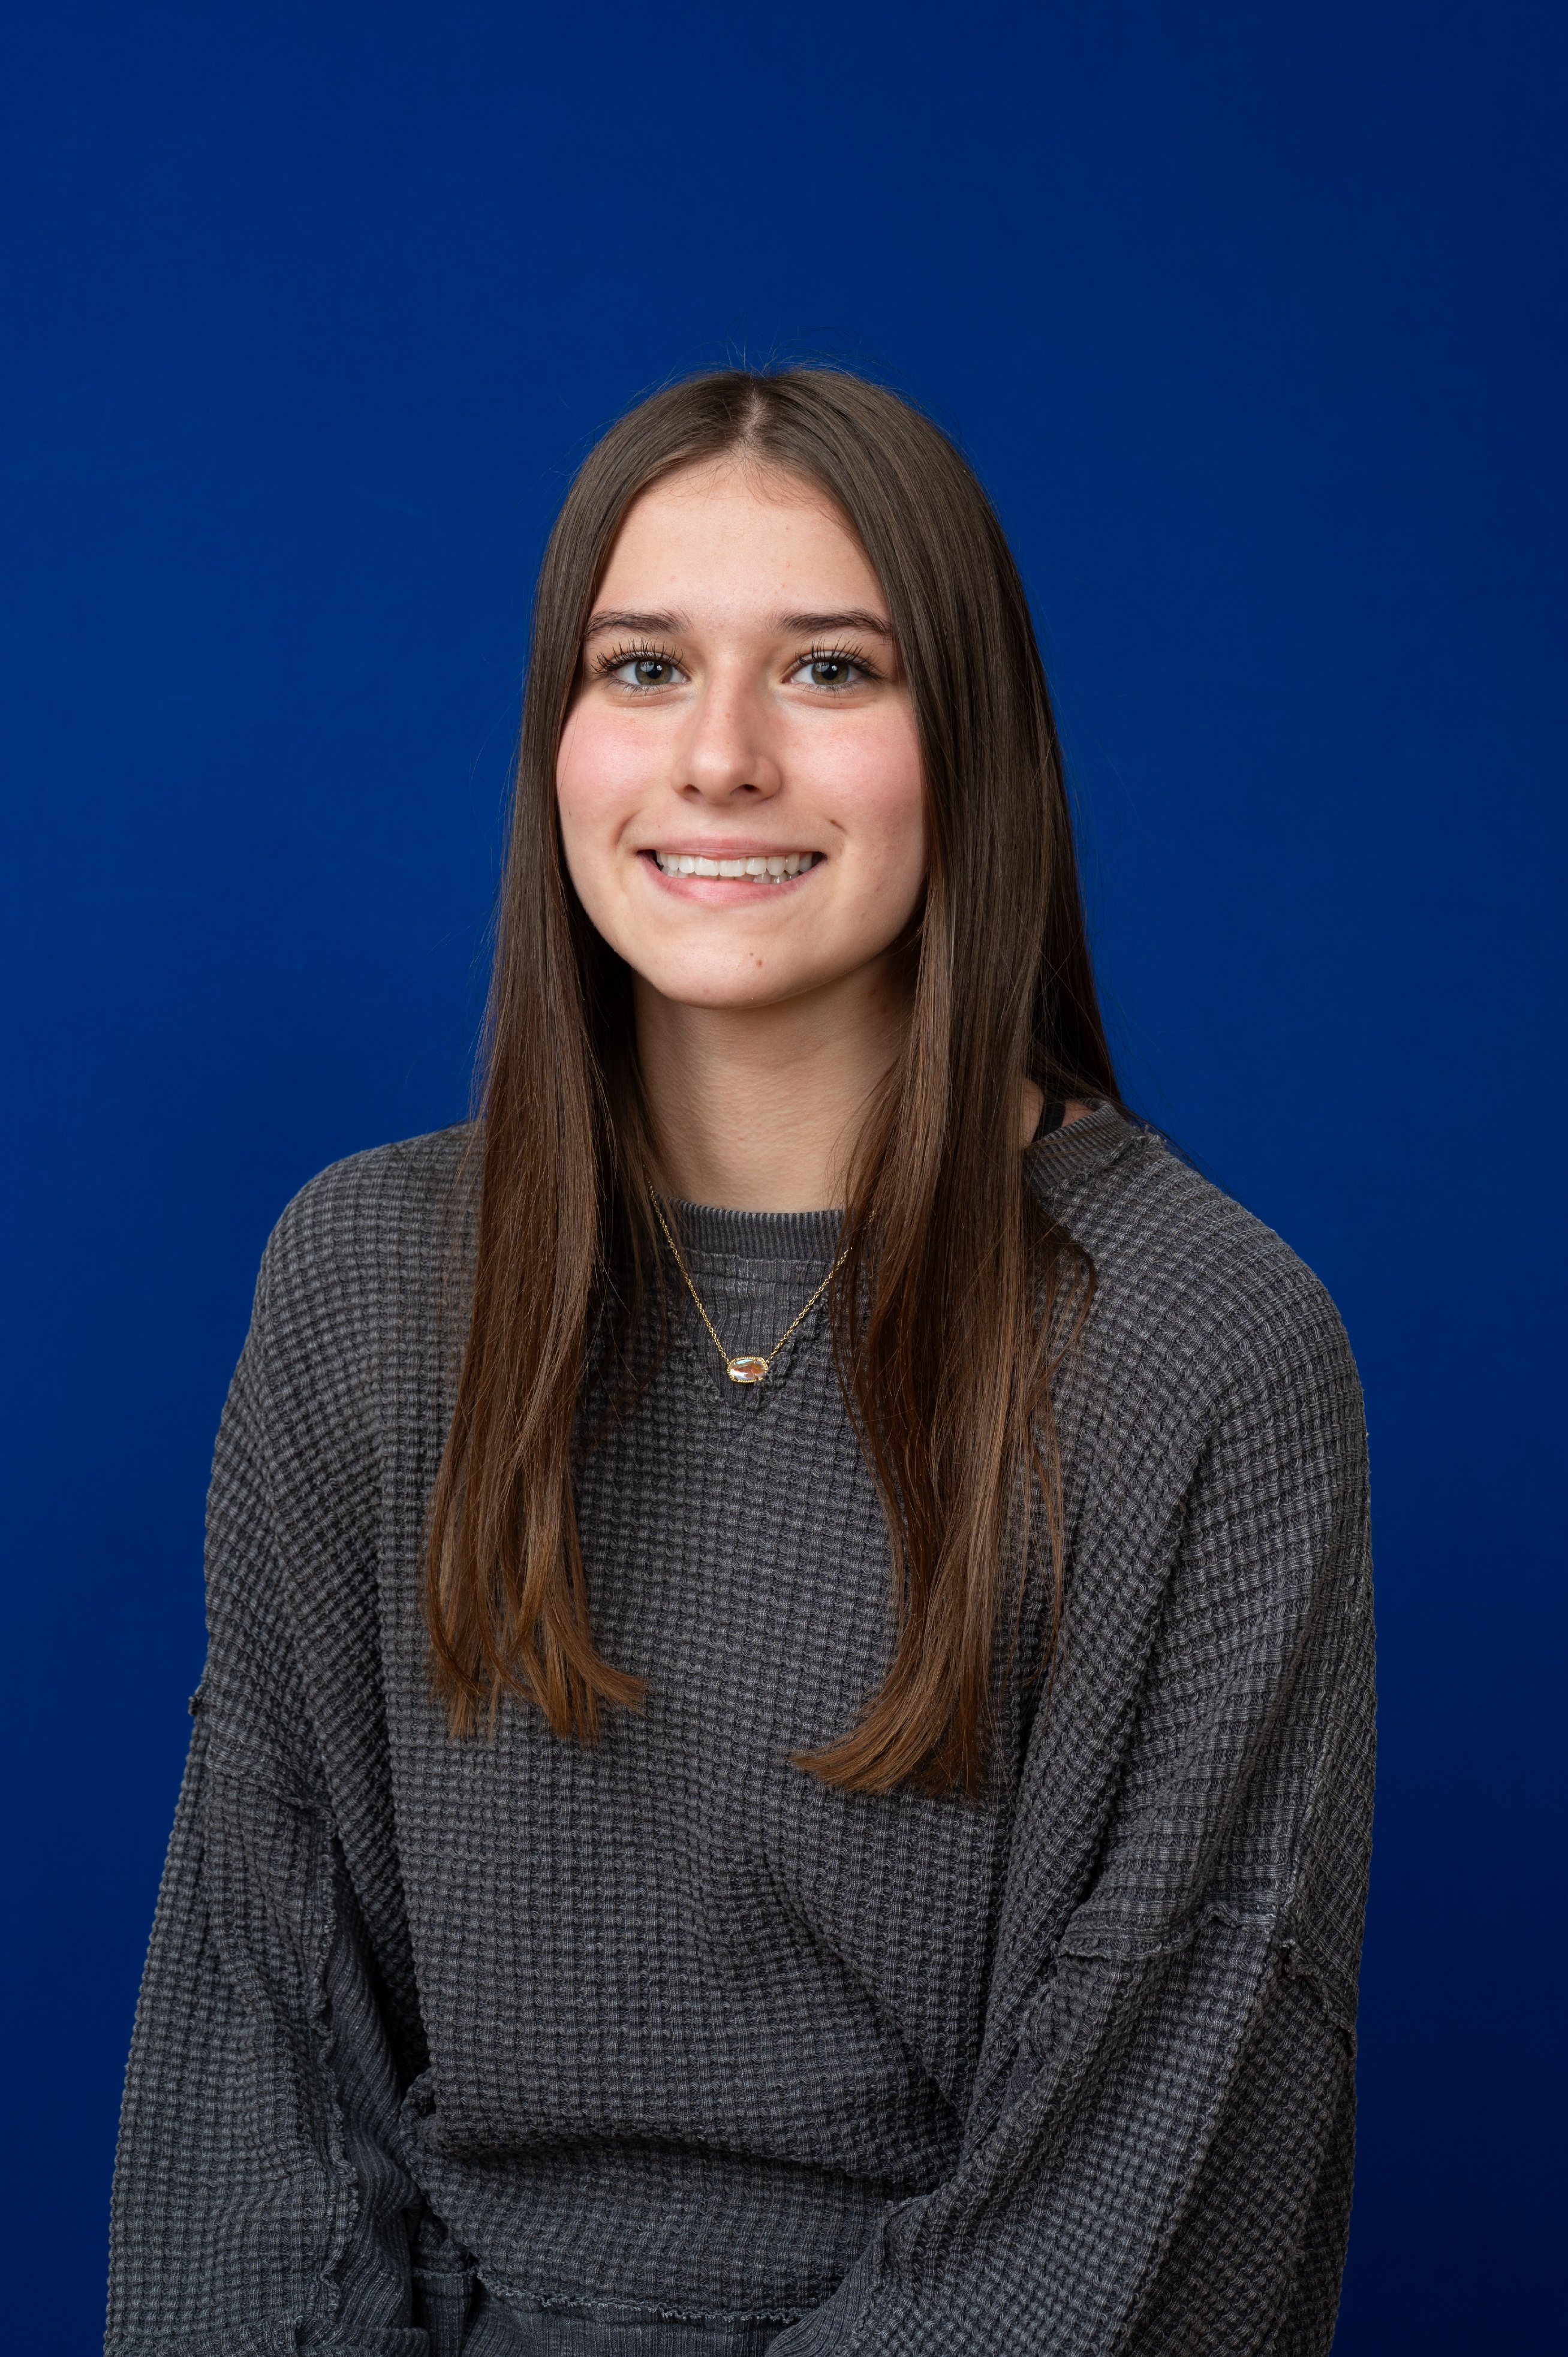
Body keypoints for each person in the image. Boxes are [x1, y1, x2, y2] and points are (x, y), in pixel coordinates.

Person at [106, 369, 1374, 2357]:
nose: (720, 757)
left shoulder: (1202, 1345)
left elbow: (1152, 2159)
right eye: (644, 667)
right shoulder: (363, 1283)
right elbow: (253, 2051)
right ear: (557, 743)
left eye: (830, 670)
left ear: (973, 743)